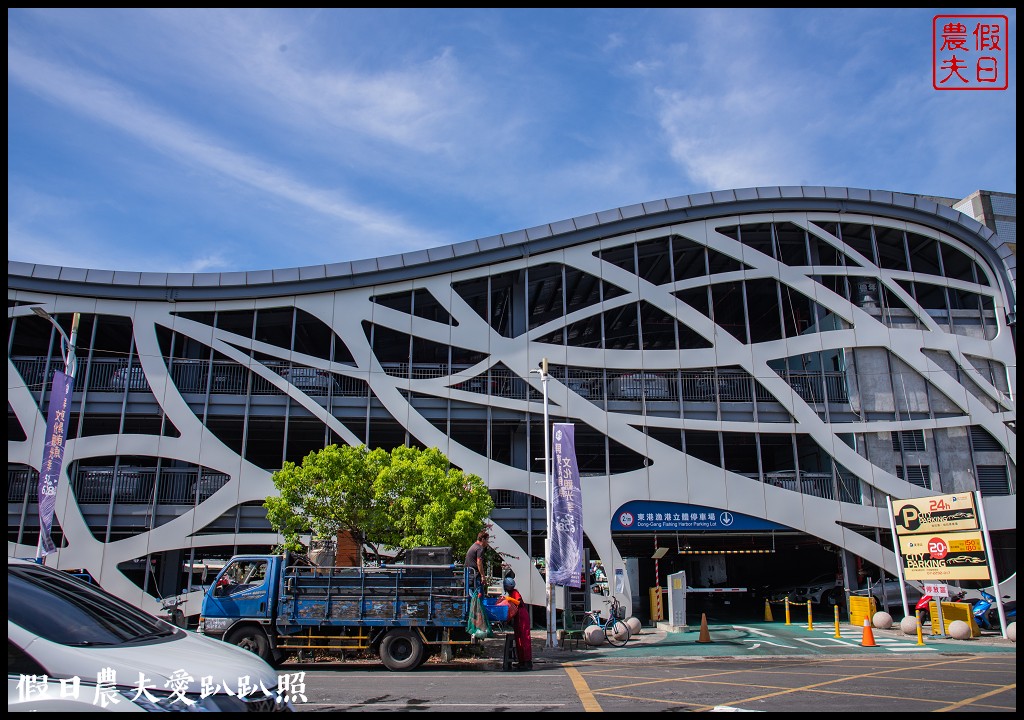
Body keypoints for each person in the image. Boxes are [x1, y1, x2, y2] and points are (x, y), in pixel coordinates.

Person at [503, 576, 532, 670]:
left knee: (524, 640)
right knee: (519, 640)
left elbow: (518, 603)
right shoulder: (511, 593)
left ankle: (527, 662)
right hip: (518, 618)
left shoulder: (515, 593)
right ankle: (522, 661)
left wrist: (509, 599)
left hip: (522, 618)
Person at [465, 531, 489, 596]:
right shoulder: (480, 548)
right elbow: (479, 562)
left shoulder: (473, 546)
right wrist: (482, 576)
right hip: (475, 575)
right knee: (479, 597)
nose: (487, 542)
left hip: (469, 574)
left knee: (470, 595)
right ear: (483, 539)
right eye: (487, 540)